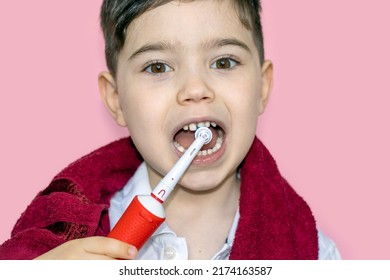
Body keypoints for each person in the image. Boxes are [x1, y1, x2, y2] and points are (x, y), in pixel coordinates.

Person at [0, 0, 340, 260]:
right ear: (116, 99)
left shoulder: (314, 255)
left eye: (223, 62)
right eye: (158, 66)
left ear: (262, 88)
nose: (195, 88)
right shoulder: (60, 248)